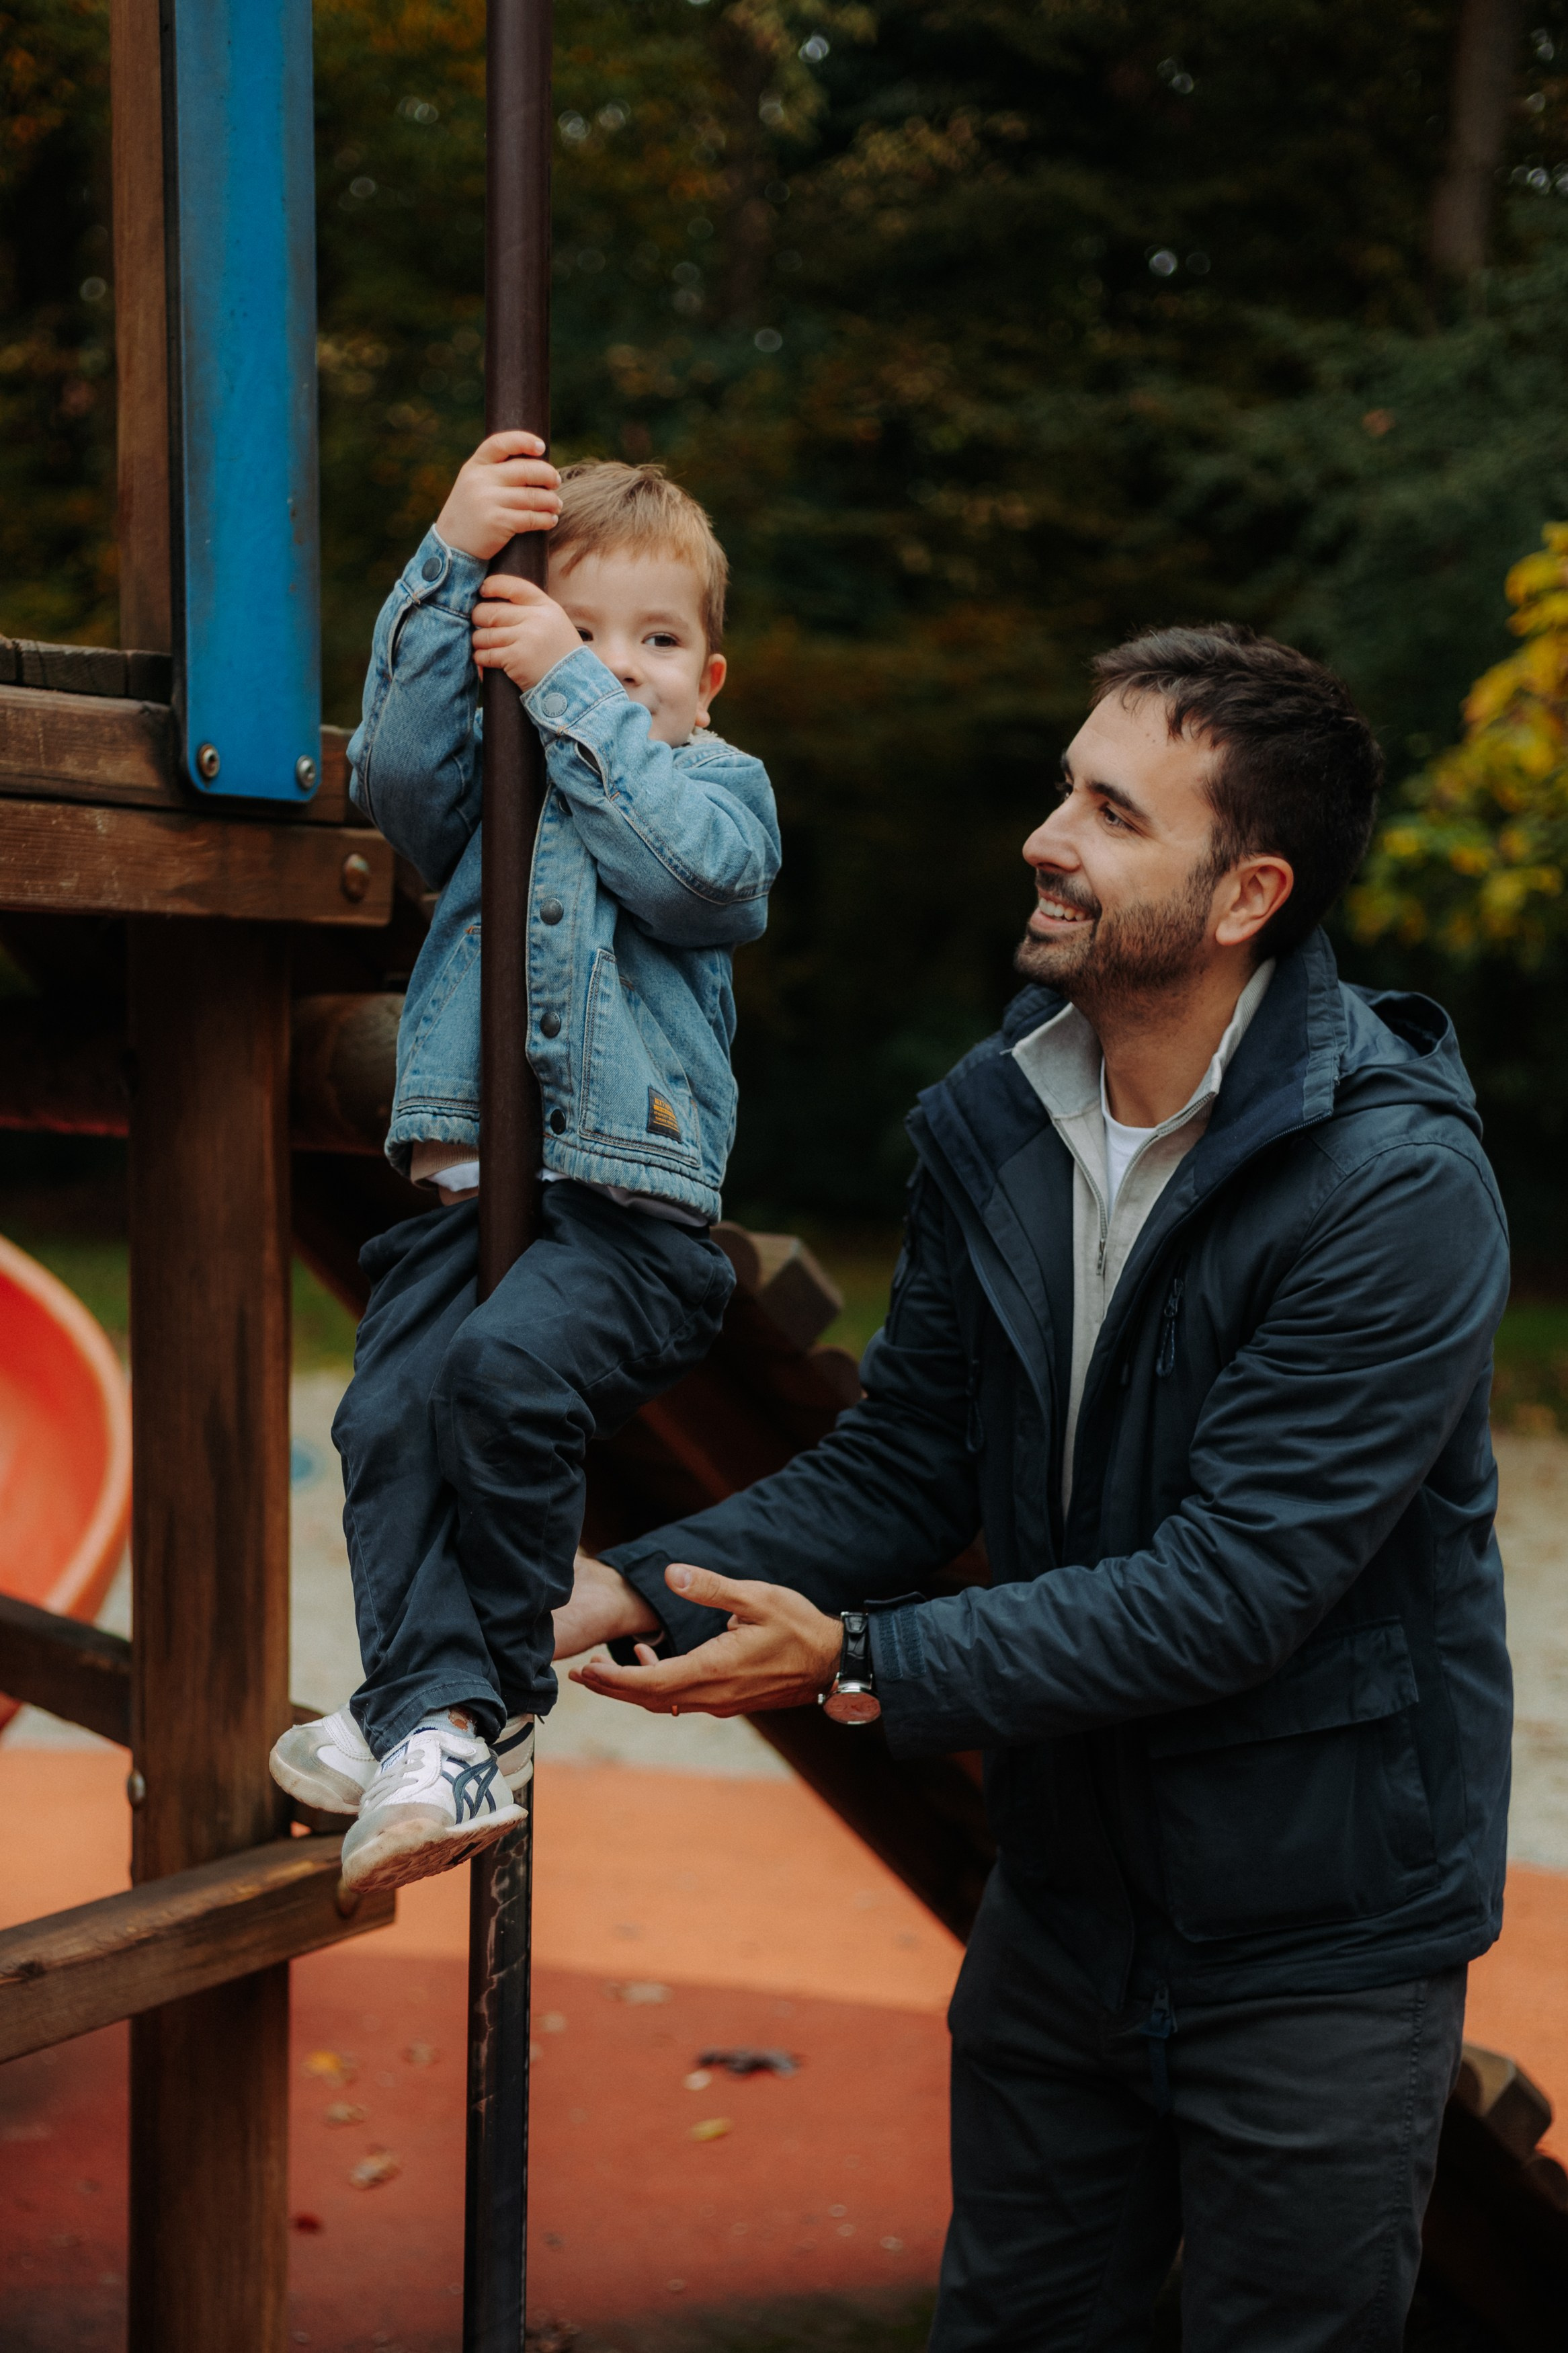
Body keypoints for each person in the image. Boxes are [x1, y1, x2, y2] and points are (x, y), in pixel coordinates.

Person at [553, 625, 1512, 2352]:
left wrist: (860, 1665)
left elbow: (1234, 1589)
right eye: (1062, 787)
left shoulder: (1396, 1185)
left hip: (1315, 1937)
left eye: (1107, 810)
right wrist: (630, 1581)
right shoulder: (1001, 1118)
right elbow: (909, 1456)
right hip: (1066, 1909)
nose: (1043, 836)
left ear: (1246, 894)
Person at [270, 436, 780, 1895]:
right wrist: (447, 560)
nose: (619, 665)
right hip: (464, 1201)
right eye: (579, 629)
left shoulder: (718, 787)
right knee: (388, 1420)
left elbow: (689, 876)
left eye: (658, 640)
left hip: (631, 1221)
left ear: (711, 675)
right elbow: (396, 772)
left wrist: (561, 679)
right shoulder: (498, 791)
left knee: (502, 1379)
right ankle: (425, 1718)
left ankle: (456, 1711)